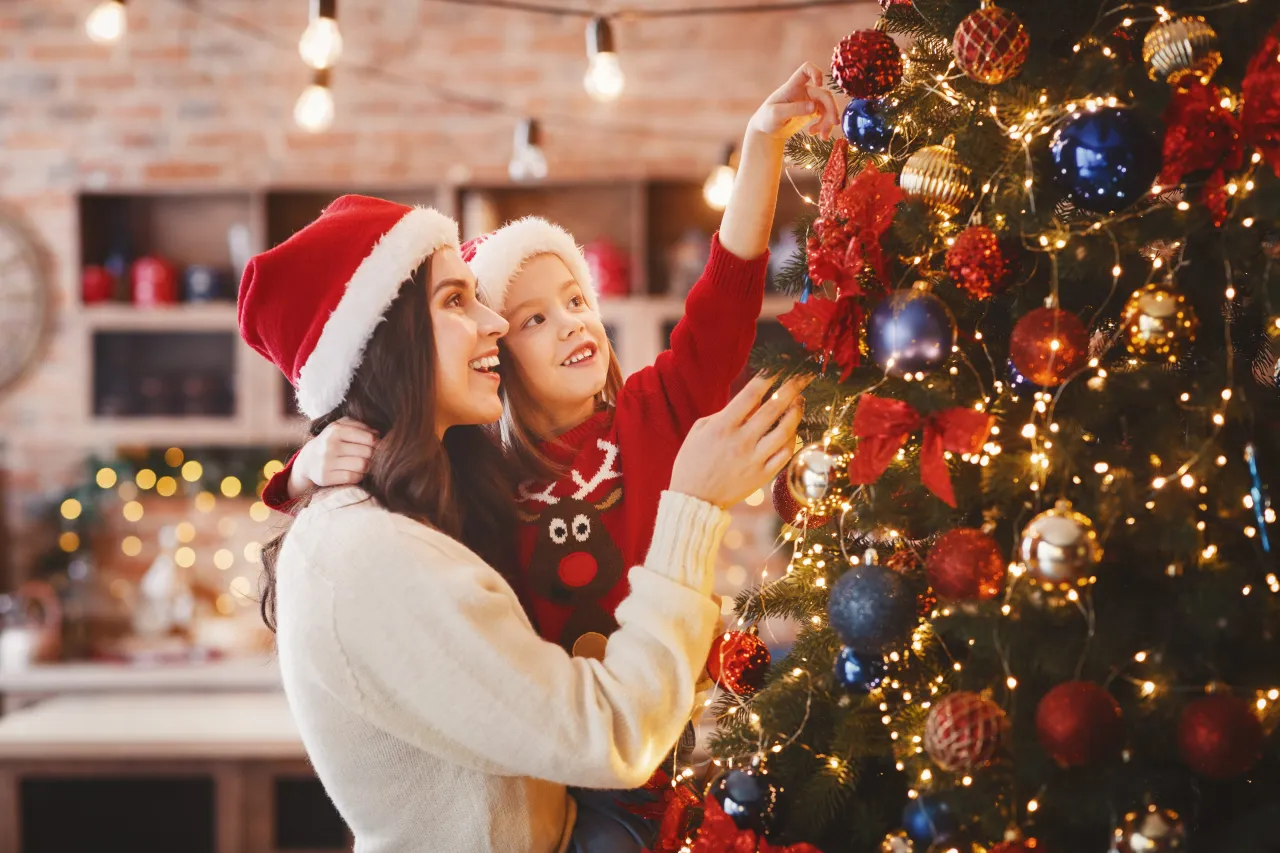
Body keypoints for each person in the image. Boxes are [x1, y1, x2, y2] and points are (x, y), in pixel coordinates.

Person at [238, 193, 807, 853]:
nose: (495, 324)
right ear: (388, 343)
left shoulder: (428, 498)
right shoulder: (374, 554)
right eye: (456, 300)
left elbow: (718, 317)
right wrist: (694, 505)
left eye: (572, 302)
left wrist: (305, 467)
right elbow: (612, 735)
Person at [263, 62, 839, 659]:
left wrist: (762, 145)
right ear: (495, 355)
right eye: (534, 319)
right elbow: (378, 456)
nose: (571, 323)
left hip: (657, 728)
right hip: (554, 733)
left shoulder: (654, 415)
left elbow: (726, 294)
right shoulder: (470, 468)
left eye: (575, 300)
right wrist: (307, 468)